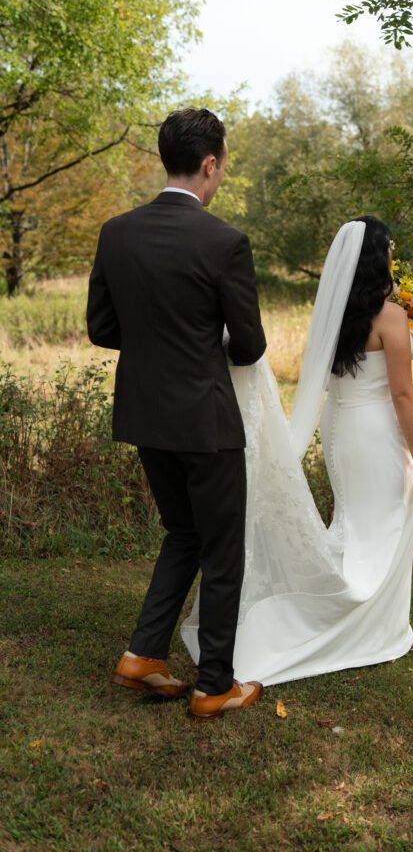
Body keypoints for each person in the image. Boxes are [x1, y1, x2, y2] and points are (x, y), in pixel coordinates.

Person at [181, 217, 413, 686]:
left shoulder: (336, 315)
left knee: (356, 525)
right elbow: (402, 393)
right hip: (376, 430)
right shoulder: (391, 316)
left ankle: (388, 627)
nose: (392, 256)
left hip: (339, 426)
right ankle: (374, 631)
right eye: (390, 248)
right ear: (377, 256)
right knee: (387, 523)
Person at [87, 107, 267, 720]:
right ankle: (214, 686)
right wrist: (201, 346)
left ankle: (142, 655)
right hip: (205, 421)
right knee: (222, 550)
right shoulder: (224, 241)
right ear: (210, 164)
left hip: (145, 414)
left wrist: (158, 346)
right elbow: (249, 345)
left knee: (183, 533)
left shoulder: (117, 232)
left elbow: (101, 327)